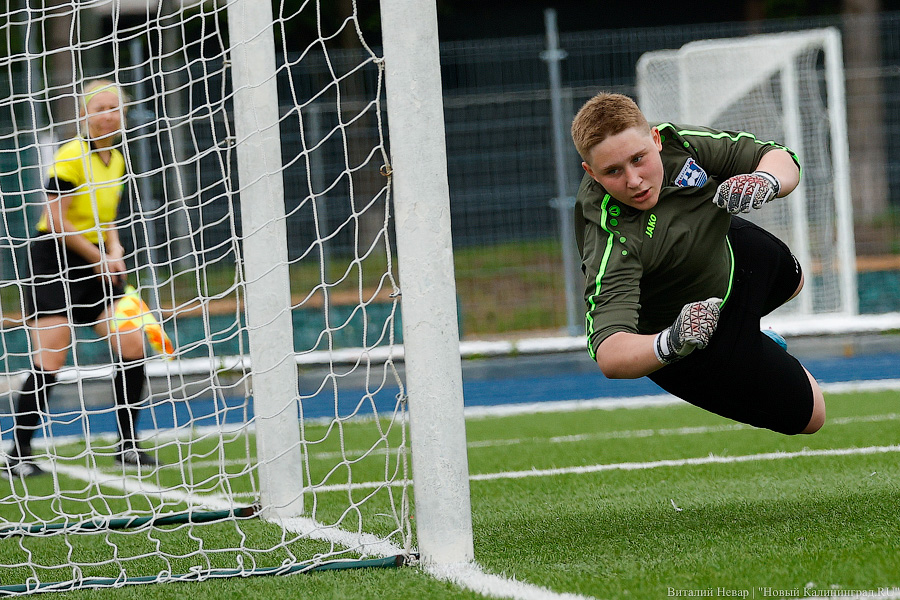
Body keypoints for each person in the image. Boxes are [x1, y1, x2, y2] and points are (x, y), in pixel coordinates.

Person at [570, 92, 825, 436]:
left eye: (638, 158)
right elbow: (610, 354)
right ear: (591, 173)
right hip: (690, 333)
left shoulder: (682, 144)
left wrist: (766, 181)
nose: (633, 180)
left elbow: (779, 157)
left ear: (656, 139)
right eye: (613, 171)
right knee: (812, 416)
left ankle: (750, 333)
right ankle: (746, 343)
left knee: (793, 280)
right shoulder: (610, 237)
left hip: (728, 256)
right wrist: (671, 341)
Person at [5, 79, 156, 478]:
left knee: (133, 341)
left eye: (114, 109)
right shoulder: (71, 154)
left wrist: (115, 250)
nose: (108, 115)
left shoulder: (118, 159)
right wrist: (98, 258)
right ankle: (17, 454)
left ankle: (128, 445)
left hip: (97, 262)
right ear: (85, 115)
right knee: (53, 351)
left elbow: (106, 219)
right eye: (99, 108)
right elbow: (55, 220)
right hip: (53, 259)